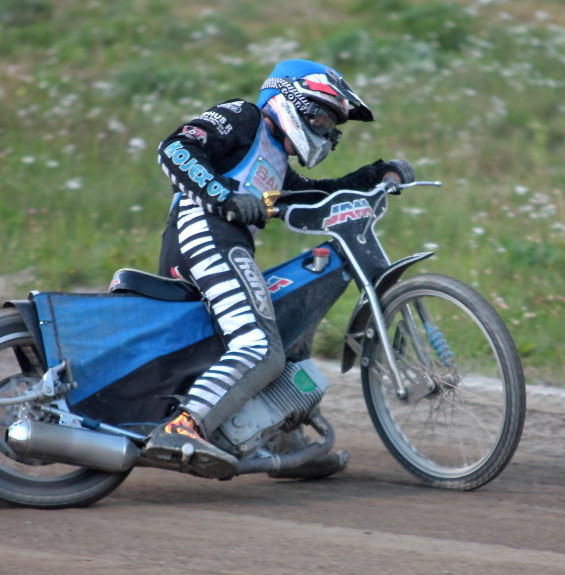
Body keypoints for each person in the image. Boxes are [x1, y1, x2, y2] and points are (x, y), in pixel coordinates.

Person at [146, 59, 415, 480]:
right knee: (259, 346)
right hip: (201, 229)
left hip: (226, 241)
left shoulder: (275, 162)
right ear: (289, 99)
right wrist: (224, 194)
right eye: (322, 117)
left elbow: (314, 196)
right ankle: (182, 428)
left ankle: (279, 438)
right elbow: (175, 148)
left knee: (290, 325)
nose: (326, 131)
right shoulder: (245, 117)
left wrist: (374, 176)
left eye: (332, 126)